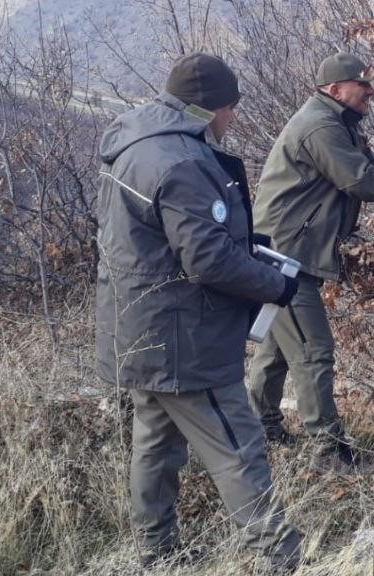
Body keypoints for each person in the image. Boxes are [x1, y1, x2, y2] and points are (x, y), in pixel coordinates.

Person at [95, 53, 302, 571]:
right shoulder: (184, 162)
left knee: (155, 445)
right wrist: (275, 284)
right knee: (237, 445)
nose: (233, 119)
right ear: (209, 109)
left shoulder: (134, 146)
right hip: (185, 337)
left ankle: (157, 552)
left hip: (139, 328)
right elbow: (207, 258)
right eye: (231, 108)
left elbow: (161, 244)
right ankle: (281, 556)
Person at [246, 52, 374, 472]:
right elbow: (362, 182)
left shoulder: (337, 123)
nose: (371, 91)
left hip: (282, 252)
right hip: (285, 257)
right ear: (335, 89)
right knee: (312, 350)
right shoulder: (321, 126)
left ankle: (259, 431)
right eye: (363, 84)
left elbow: (373, 169)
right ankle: (328, 451)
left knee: (278, 349)